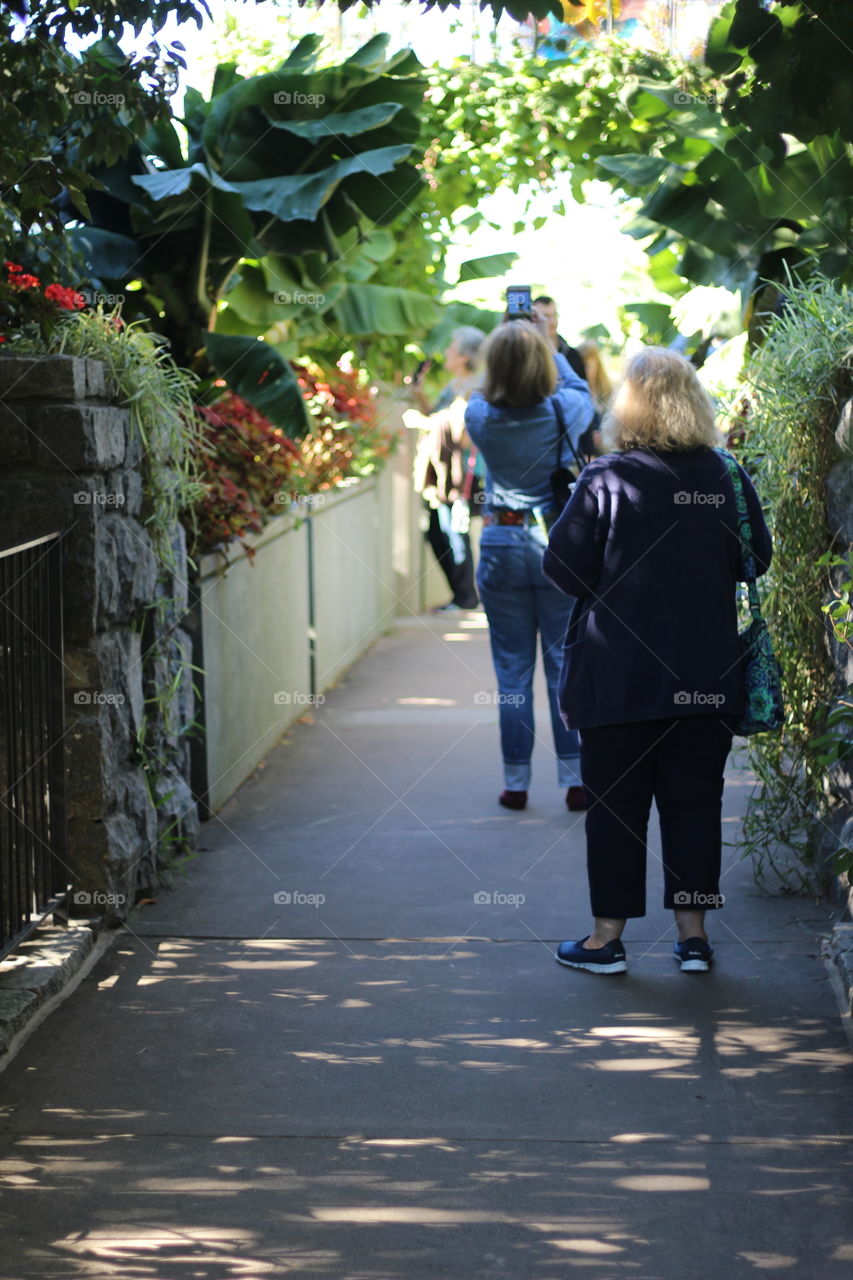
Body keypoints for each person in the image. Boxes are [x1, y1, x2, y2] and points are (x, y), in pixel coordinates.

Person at [543, 347, 772, 975]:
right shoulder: (726, 476)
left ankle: (606, 941)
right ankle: (693, 940)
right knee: (694, 803)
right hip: (706, 675)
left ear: (628, 405)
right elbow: (758, 559)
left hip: (617, 681)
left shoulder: (605, 479)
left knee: (615, 808)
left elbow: (562, 568)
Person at [465, 319, 595, 811]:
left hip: (501, 539)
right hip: (555, 541)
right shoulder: (566, 407)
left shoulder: (479, 416)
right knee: (564, 664)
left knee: (512, 671)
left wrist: (510, 347)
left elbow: (484, 388)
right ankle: (576, 781)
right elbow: (579, 385)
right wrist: (548, 342)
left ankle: (515, 784)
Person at [405, 328, 485, 613]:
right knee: (438, 532)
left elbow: (462, 431)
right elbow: (437, 417)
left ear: (464, 356)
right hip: (441, 472)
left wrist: (422, 422)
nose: (446, 353)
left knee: (455, 531)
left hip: (462, 473)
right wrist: (420, 396)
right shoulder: (453, 385)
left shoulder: (479, 386)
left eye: (451, 348)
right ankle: (460, 595)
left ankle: (465, 598)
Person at [532, 295, 586, 381]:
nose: (553, 321)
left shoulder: (572, 355)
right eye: (545, 316)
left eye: (555, 315)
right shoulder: (528, 356)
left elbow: (580, 389)